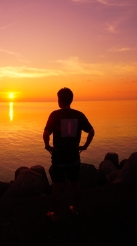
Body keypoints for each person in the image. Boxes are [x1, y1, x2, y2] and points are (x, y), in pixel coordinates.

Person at [43, 88, 94, 221]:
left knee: (57, 185)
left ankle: (55, 213)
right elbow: (91, 131)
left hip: (59, 155)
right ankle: (75, 209)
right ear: (71, 99)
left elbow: (46, 133)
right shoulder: (79, 115)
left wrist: (47, 146)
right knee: (76, 183)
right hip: (74, 155)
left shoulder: (54, 115)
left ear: (59, 100)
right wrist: (85, 146)